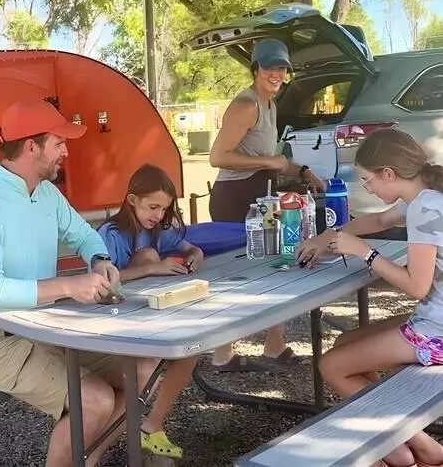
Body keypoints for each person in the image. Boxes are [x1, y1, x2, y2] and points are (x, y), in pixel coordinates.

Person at [0, 98, 158, 467]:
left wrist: (100, 261)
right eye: (59, 142)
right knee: (95, 400)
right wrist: (67, 287)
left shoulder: (47, 193)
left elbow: (85, 236)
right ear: (31, 146)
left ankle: (86, 460)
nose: (66, 151)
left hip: (46, 328)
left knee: (143, 370)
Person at [297, 128, 443, 467]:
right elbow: (377, 220)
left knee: (330, 365)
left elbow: (417, 287)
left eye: (368, 180)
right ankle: (400, 441)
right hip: (434, 318)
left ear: (388, 174)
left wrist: (367, 253)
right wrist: (328, 235)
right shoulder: (426, 196)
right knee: (347, 341)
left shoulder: (425, 210)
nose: (368, 188)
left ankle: (414, 449)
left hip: (437, 331)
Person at [207, 37, 326, 372]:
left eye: (282, 68)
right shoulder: (247, 104)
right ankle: (221, 353)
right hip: (233, 197)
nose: (276, 74)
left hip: (259, 194)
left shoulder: (270, 104)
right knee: (235, 274)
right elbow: (218, 157)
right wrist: (268, 163)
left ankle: (274, 345)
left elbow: (271, 160)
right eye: (270, 67)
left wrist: (303, 171)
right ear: (255, 68)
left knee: (277, 262)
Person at [97, 163, 201, 459]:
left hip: (150, 313)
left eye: (163, 209)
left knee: (190, 347)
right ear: (132, 200)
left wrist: (195, 255)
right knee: (148, 255)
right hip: (116, 318)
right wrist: (152, 266)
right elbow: (106, 280)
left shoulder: (156, 229)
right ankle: (103, 442)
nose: (158, 215)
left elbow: (191, 247)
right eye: (153, 206)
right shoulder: (110, 233)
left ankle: (152, 425)